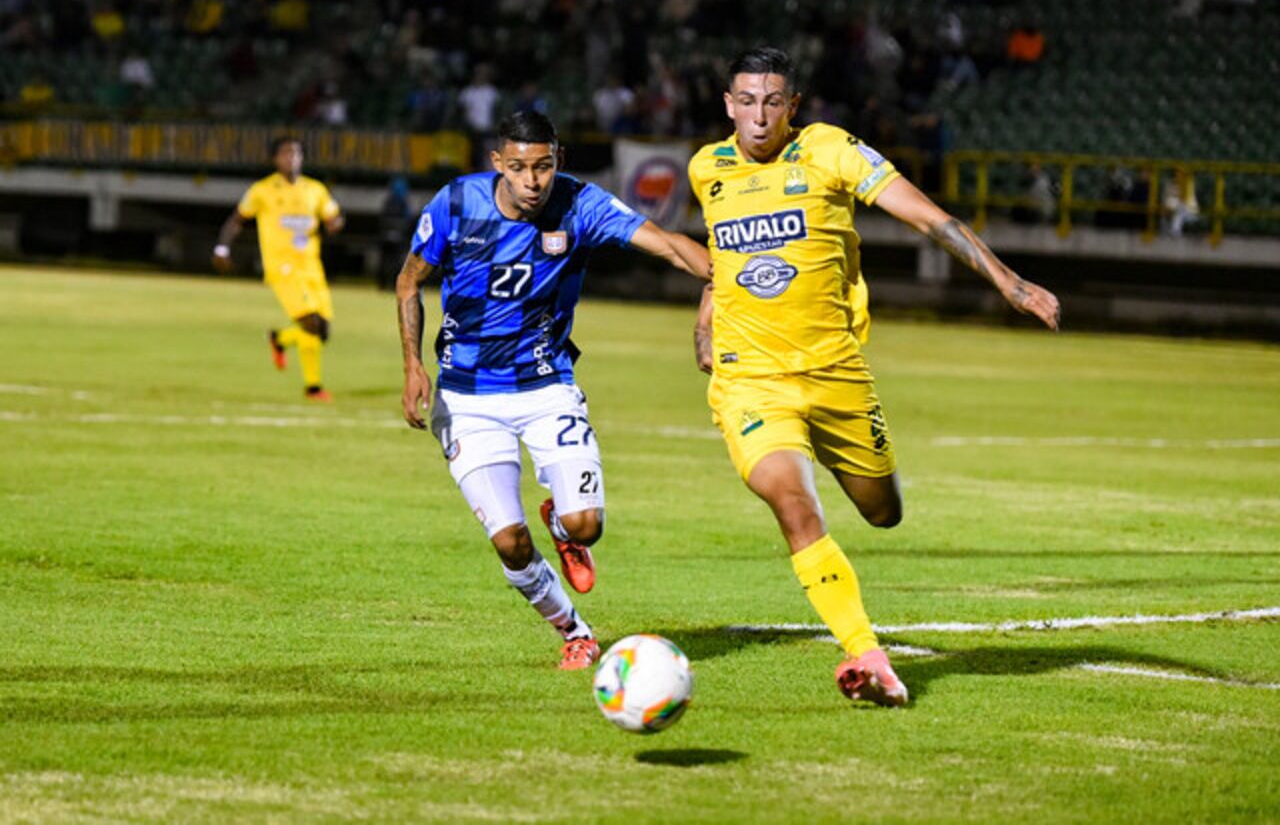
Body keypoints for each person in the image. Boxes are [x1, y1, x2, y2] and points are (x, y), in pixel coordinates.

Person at [689, 47, 1059, 707]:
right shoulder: (706, 169)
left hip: (836, 374)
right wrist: (706, 317)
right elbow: (725, 253)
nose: (759, 115)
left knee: (881, 512)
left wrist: (1006, 279)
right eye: (746, 100)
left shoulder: (830, 151)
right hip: (752, 382)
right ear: (727, 104)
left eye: (773, 101)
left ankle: (835, 456)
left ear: (792, 108)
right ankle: (867, 656)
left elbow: (923, 213)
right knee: (792, 503)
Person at [396, 111, 711, 670]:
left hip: (546, 385)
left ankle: (564, 528)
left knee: (587, 524)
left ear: (557, 161)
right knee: (509, 541)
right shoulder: (455, 204)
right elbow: (408, 280)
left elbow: (663, 243)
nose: (532, 181)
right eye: (518, 168)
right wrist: (413, 367)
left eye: (542, 166)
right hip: (466, 400)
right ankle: (575, 631)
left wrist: (721, 275)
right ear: (498, 164)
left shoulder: (580, 204)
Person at [213, 137, 345, 402]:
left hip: (311, 266)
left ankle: (281, 339)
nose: (291, 158)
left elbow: (333, 216)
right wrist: (222, 248)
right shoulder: (263, 190)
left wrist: (335, 224)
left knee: (324, 330)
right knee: (311, 323)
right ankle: (313, 387)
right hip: (282, 267)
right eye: (285, 154)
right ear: (276, 159)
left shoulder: (315, 189)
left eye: (296, 153)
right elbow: (237, 219)